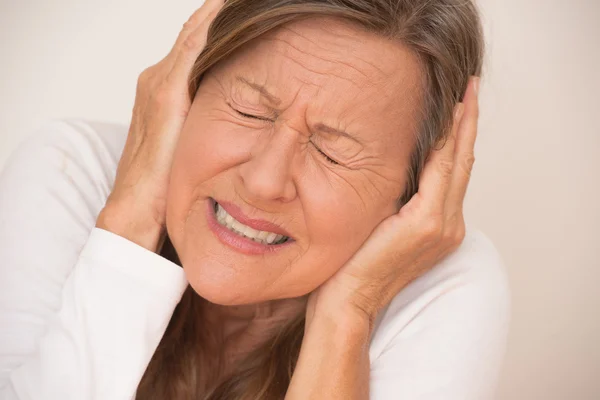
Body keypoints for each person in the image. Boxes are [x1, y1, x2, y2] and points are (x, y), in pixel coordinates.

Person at [0, 0, 510, 398]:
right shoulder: (72, 171)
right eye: (249, 110)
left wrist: (349, 312)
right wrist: (132, 219)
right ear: (183, 90)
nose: (266, 180)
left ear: (414, 191)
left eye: (333, 153)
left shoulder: (445, 285)